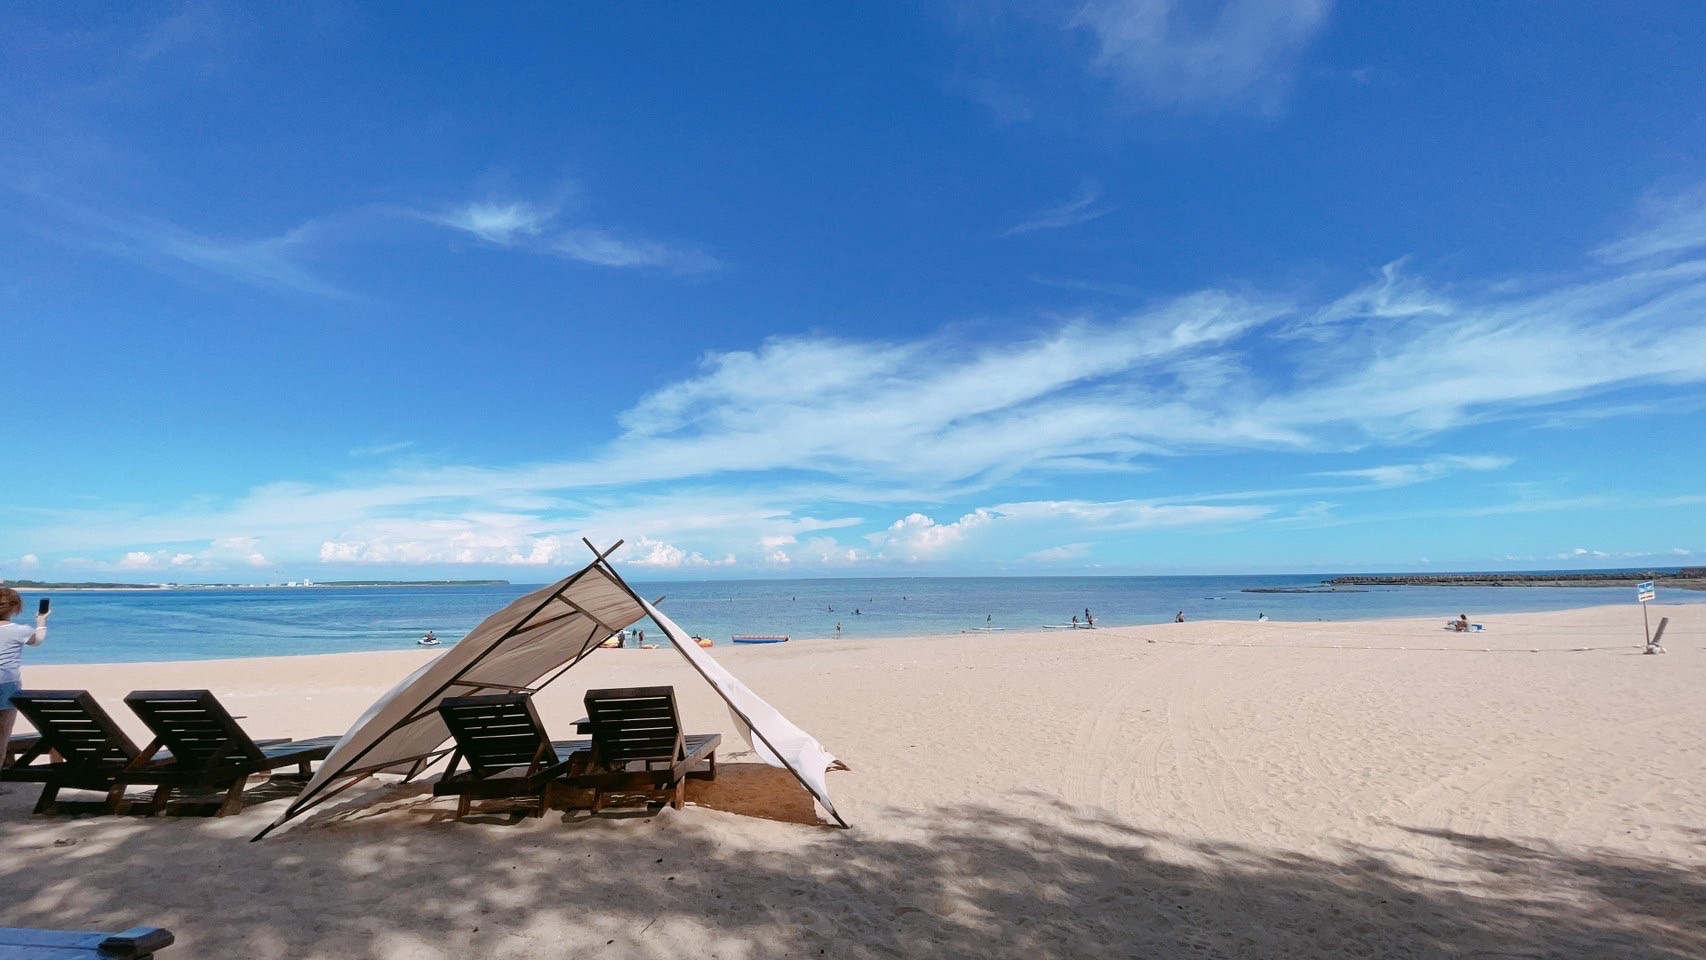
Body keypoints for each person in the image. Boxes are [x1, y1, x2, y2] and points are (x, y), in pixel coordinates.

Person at [0, 588, 49, 767]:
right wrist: (42, 620)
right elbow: (38, 640)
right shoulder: (20, 630)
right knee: (2, 735)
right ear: (15, 608)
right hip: (7, 685)